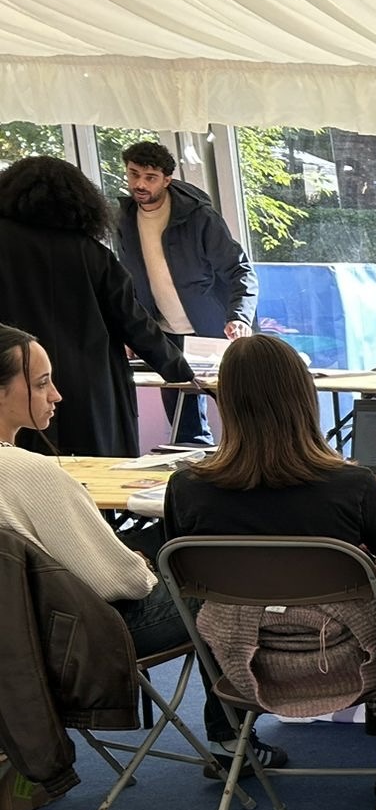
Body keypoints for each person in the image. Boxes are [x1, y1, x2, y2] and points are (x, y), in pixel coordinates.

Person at [162, 334, 376, 768]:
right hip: (352, 660)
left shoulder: (186, 488)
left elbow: (184, 575)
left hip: (240, 663)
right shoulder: (351, 485)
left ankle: (228, 741)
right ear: (303, 398)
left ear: (226, 404)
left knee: (211, 606)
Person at [0, 323, 237, 756]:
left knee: (162, 541)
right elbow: (121, 584)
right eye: (41, 383)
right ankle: (232, 741)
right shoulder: (31, 475)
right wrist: (139, 565)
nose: (56, 395)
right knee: (214, 581)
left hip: (19, 640)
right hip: (75, 639)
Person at [0, 156, 190, 458]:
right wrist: (179, 368)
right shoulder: (92, 254)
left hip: (16, 383)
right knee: (94, 477)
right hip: (91, 384)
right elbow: (133, 321)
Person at [115, 140, 257, 443]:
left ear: (167, 180)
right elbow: (125, 280)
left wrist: (239, 317)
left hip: (214, 329)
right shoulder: (123, 219)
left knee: (244, 415)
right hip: (163, 333)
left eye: (150, 177)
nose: (139, 184)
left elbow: (240, 270)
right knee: (184, 427)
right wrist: (130, 332)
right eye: (133, 174)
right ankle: (192, 479)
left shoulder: (198, 217)